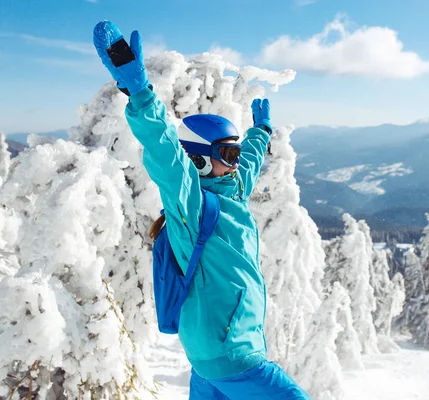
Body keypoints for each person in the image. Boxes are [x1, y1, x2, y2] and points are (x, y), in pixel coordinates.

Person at [93, 20, 311, 400]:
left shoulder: (231, 192)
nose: (235, 160)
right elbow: (166, 155)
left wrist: (260, 132)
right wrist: (140, 93)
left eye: (235, 151)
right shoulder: (191, 205)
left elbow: (250, 165)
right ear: (198, 161)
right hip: (231, 354)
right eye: (227, 153)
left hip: (215, 354)